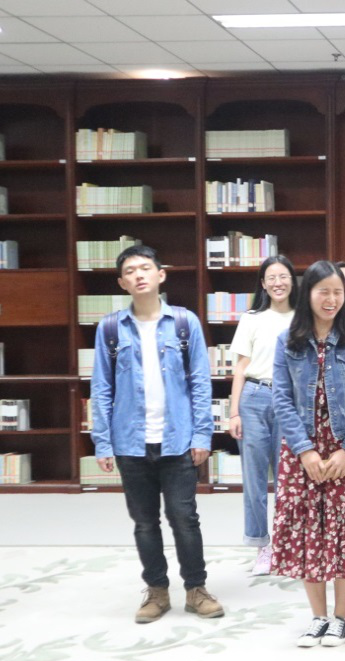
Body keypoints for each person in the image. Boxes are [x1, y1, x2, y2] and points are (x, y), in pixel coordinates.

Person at [90, 244, 223, 623]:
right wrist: (102, 441)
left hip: (177, 439)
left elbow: (200, 382)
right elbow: (101, 387)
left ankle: (196, 589)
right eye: (130, 271)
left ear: (161, 275)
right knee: (145, 522)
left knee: (184, 518)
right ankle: (157, 591)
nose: (139, 275)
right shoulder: (110, 328)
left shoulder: (183, 322)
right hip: (130, 442)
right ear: (121, 282)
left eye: (145, 268)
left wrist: (202, 435)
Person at [271, 261, 345, 647]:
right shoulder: (287, 340)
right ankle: (317, 617)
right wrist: (304, 452)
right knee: (307, 536)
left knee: (344, 534)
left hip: (344, 452)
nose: (331, 299)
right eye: (324, 291)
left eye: (337, 292)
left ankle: (340, 617)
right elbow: (281, 399)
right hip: (300, 454)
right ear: (308, 294)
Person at [227, 255, 297, 576]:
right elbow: (241, 368)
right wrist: (233, 413)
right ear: (263, 284)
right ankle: (262, 547)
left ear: (292, 281)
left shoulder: (303, 318)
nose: (278, 283)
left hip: (289, 399)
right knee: (254, 478)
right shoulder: (252, 318)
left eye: (283, 276)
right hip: (254, 399)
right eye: (272, 278)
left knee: (288, 478)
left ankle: (286, 544)